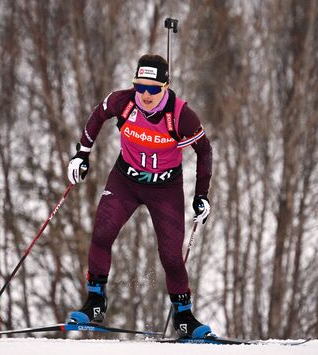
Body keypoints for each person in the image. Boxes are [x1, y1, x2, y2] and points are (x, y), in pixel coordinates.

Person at [66, 54, 213, 339]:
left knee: (171, 258)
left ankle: (184, 318)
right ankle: (95, 303)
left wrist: (202, 196)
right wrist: (81, 153)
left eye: (153, 88)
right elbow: (98, 114)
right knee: (102, 234)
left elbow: (204, 151)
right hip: (125, 180)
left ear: (166, 86)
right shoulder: (124, 101)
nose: (145, 94)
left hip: (165, 188)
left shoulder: (181, 115)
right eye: (140, 87)